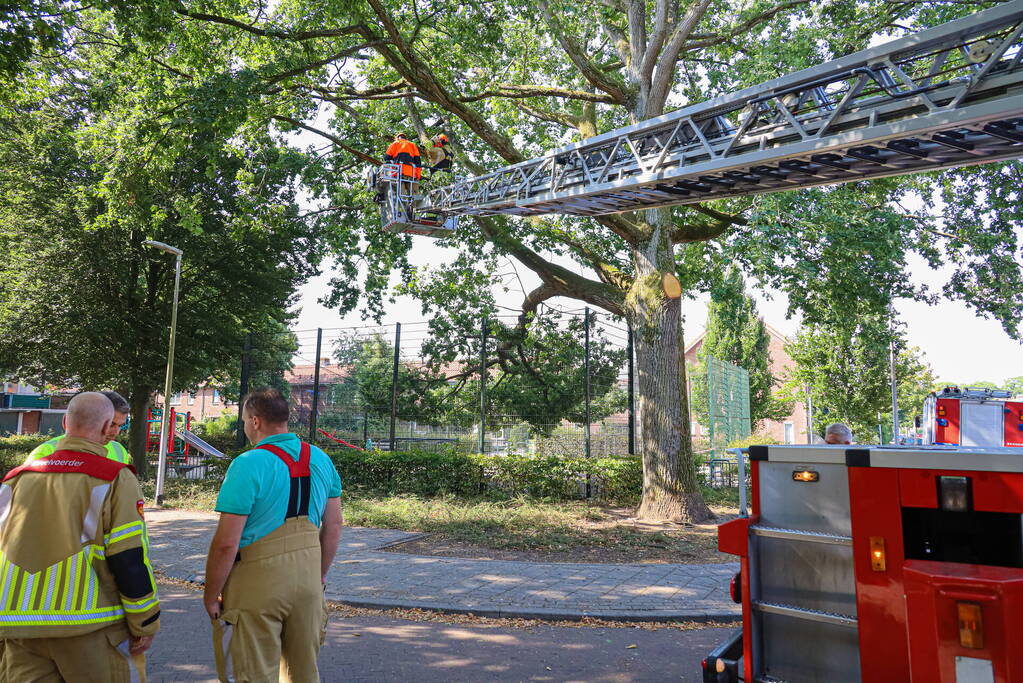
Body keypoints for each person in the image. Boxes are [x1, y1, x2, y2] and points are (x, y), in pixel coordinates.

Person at [0, 392, 160, 682]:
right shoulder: (115, 477)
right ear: (106, 426)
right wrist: (145, 620)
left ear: (64, 422)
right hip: (88, 625)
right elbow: (127, 557)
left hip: (19, 626)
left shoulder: (15, 478)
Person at [204, 387, 343, 683]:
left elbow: (226, 543)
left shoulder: (247, 464)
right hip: (308, 583)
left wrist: (211, 594)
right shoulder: (321, 459)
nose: (245, 426)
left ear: (255, 421)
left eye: (244, 420)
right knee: (302, 673)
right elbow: (334, 526)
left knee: (254, 673)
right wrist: (318, 575)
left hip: (257, 584)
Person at [25, 389, 132, 464]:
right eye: (111, 424)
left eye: (120, 426)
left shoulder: (119, 450)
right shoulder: (45, 452)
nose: (116, 432)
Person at [382, 132, 422, 196]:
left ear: (397, 138)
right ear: (405, 138)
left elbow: (386, 158)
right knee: (414, 197)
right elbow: (418, 162)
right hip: (411, 174)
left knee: (400, 197)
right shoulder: (412, 145)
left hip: (398, 173)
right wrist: (418, 176)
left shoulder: (395, 144)